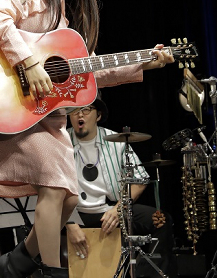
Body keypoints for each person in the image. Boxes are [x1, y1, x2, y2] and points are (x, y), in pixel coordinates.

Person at [0, 0, 174, 278]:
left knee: (68, 197)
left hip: (45, 117)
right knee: (55, 188)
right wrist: (28, 62)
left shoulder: (63, 13)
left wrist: (144, 62)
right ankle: (51, 271)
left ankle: (13, 264)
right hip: (15, 106)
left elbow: (89, 71)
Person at [66, 93, 176, 277]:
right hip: (74, 213)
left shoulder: (115, 141)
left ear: (98, 115)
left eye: (86, 109)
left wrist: (119, 209)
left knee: (161, 221)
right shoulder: (60, 142)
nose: (80, 114)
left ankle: (144, 274)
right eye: (75, 110)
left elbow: (139, 180)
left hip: (110, 210)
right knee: (36, 224)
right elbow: (49, 189)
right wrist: (69, 223)